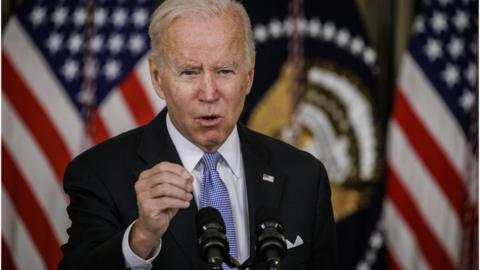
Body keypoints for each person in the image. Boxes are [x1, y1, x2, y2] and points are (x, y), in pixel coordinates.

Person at [58, 0, 337, 269]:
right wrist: (141, 238)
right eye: (190, 72)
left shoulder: (304, 176)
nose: (209, 93)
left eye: (225, 71)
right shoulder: (99, 175)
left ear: (249, 76)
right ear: (157, 78)